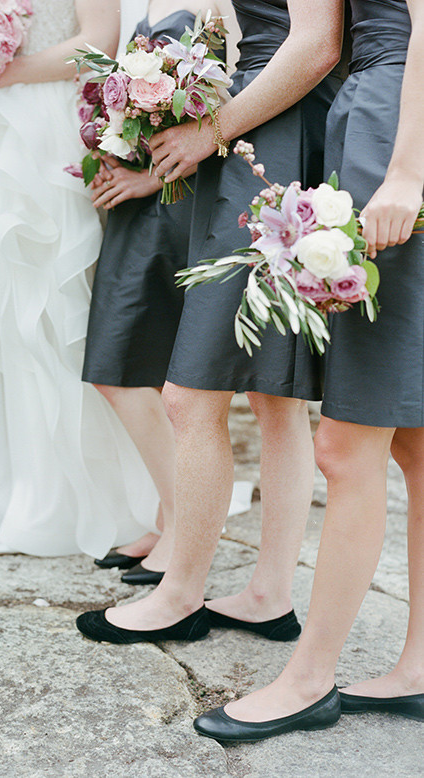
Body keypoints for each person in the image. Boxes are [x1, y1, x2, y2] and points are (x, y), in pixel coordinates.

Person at [76, 0, 346, 642]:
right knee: (271, 392)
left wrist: (209, 131)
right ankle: (268, 593)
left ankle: (181, 594)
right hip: (275, 119)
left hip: (272, 126)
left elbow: (316, 44)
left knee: (191, 395)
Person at [193, 0, 424, 743]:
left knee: (346, 443)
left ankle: (309, 678)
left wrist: (406, 174)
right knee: (413, 444)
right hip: (377, 116)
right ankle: (418, 667)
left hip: (397, 129)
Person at [0, 0, 159, 558]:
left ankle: (69, 500)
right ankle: (14, 491)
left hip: (46, 131)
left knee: (48, 311)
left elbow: (97, 44)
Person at [85, 0, 233, 586]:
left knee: (122, 367)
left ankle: (185, 530)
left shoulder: (222, 7)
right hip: (143, 201)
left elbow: (236, 104)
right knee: (126, 365)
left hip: (179, 199)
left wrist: (155, 174)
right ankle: (170, 514)